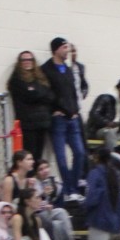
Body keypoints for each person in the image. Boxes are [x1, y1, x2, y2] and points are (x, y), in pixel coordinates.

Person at [41, 38, 87, 204]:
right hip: (58, 118)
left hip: (72, 116)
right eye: (64, 47)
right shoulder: (46, 69)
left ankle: (72, 187)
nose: (67, 51)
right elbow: (46, 93)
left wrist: (74, 110)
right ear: (56, 50)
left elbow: (73, 92)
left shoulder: (67, 69)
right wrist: (54, 109)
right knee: (61, 157)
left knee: (80, 152)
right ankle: (69, 190)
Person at [7, 50, 54, 163]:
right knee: (28, 156)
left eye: (30, 59)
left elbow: (50, 96)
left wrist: (36, 93)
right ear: (19, 62)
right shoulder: (16, 80)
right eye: (24, 60)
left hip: (42, 123)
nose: (27, 62)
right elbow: (31, 96)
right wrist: (40, 94)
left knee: (39, 156)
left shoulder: (40, 78)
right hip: (27, 124)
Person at [83, 148, 120, 240]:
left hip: (99, 221)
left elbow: (91, 199)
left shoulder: (95, 173)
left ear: (97, 157)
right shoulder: (116, 174)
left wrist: (84, 207)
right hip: (115, 222)